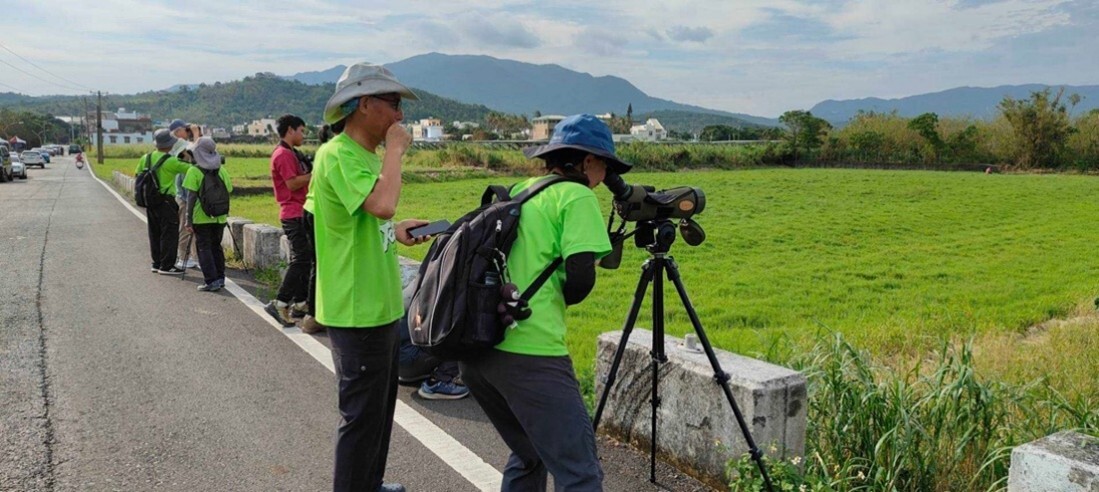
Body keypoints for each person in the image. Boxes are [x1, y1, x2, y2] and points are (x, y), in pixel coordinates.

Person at [459, 114, 630, 491]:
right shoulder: (577, 195)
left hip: (479, 350)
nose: (605, 176)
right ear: (587, 161)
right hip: (532, 354)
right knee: (580, 472)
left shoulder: (521, 189)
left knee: (529, 454)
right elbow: (581, 280)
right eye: (605, 165)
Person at [307, 62, 429, 492]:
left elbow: (362, 219)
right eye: (393, 103)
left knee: (379, 411)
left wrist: (396, 231)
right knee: (360, 417)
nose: (400, 116)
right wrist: (395, 150)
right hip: (356, 310)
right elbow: (382, 204)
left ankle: (370, 484)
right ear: (363, 104)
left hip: (380, 306)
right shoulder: (337, 153)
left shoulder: (361, 157)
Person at [265, 114, 316, 328]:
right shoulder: (283, 154)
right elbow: (292, 183)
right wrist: (317, 173)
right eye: (301, 131)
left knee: (308, 258)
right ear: (290, 130)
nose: (303, 135)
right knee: (302, 258)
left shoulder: (292, 152)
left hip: (300, 211)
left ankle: (301, 302)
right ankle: (281, 302)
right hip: (293, 212)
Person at [396, 281, 470, 400]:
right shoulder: (449, 285)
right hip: (409, 358)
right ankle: (440, 380)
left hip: (395, 360)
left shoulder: (425, 279)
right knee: (469, 328)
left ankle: (416, 372)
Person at [137, 129, 193, 275]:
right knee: (169, 233)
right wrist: (188, 156)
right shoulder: (171, 161)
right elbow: (191, 169)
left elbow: (138, 174)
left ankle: (156, 263)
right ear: (170, 144)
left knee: (154, 232)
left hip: (150, 201)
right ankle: (167, 266)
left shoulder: (146, 158)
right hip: (166, 201)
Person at [182, 137, 232, 292]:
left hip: (201, 217)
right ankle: (220, 278)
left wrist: (188, 220)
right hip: (220, 217)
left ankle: (211, 281)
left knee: (204, 248)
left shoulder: (194, 171)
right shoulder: (222, 171)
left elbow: (191, 197)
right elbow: (229, 190)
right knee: (216, 246)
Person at [168, 118, 199, 270]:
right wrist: (196, 133)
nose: (188, 133)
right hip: (185, 194)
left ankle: (191, 256)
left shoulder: (175, 145)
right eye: (185, 130)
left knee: (189, 227)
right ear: (178, 131)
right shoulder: (181, 145)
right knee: (186, 227)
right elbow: (198, 151)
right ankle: (184, 257)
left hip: (182, 192)